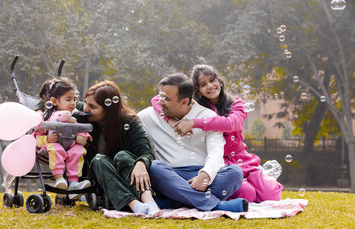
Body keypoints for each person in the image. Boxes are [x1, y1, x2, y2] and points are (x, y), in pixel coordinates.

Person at [152, 65, 283, 203]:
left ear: (219, 81)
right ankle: (242, 186)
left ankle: (259, 177)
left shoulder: (235, 103)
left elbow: (233, 123)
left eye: (212, 80)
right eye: (203, 84)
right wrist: (170, 120)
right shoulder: (198, 107)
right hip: (220, 162)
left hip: (241, 158)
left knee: (272, 195)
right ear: (198, 91)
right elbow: (156, 100)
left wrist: (194, 123)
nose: (210, 86)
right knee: (248, 195)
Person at [138, 73, 248, 213]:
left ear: (184, 102)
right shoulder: (148, 116)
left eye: (166, 98)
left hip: (200, 176)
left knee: (235, 173)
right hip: (170, 175)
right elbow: (127, 126)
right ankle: (215, 205)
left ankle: (172, 200)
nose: (160, 102)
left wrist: (206, 175)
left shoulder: (207, 116)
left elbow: (216, 152)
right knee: (154, 167)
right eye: (160, 96)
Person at [75, 81, 161, 216]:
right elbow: (56, 99)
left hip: (130, 179)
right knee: (98, 160)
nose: (85, 108)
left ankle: (149, 202)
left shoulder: (130, 121)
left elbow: (146, 151)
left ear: (108, 109)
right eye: (85, 102)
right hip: (101, 182)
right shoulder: (84, 114)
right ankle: (135, 205)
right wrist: (39, 108)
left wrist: (140, 163)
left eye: (92, 106)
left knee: (122, 155)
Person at [35, 77, 91, 199]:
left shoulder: (74, 117)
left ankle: (73, 183)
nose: (73, 103)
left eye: (75, 99)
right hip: (51, 147)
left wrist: (82, 136)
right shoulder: (46, 117)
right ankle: (59, 179)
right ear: (54, 101)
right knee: (56, 148)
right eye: (68, 99)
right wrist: (47, 139)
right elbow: (37, 139)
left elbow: (79, 129)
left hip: (70, 146)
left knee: (78, 150)